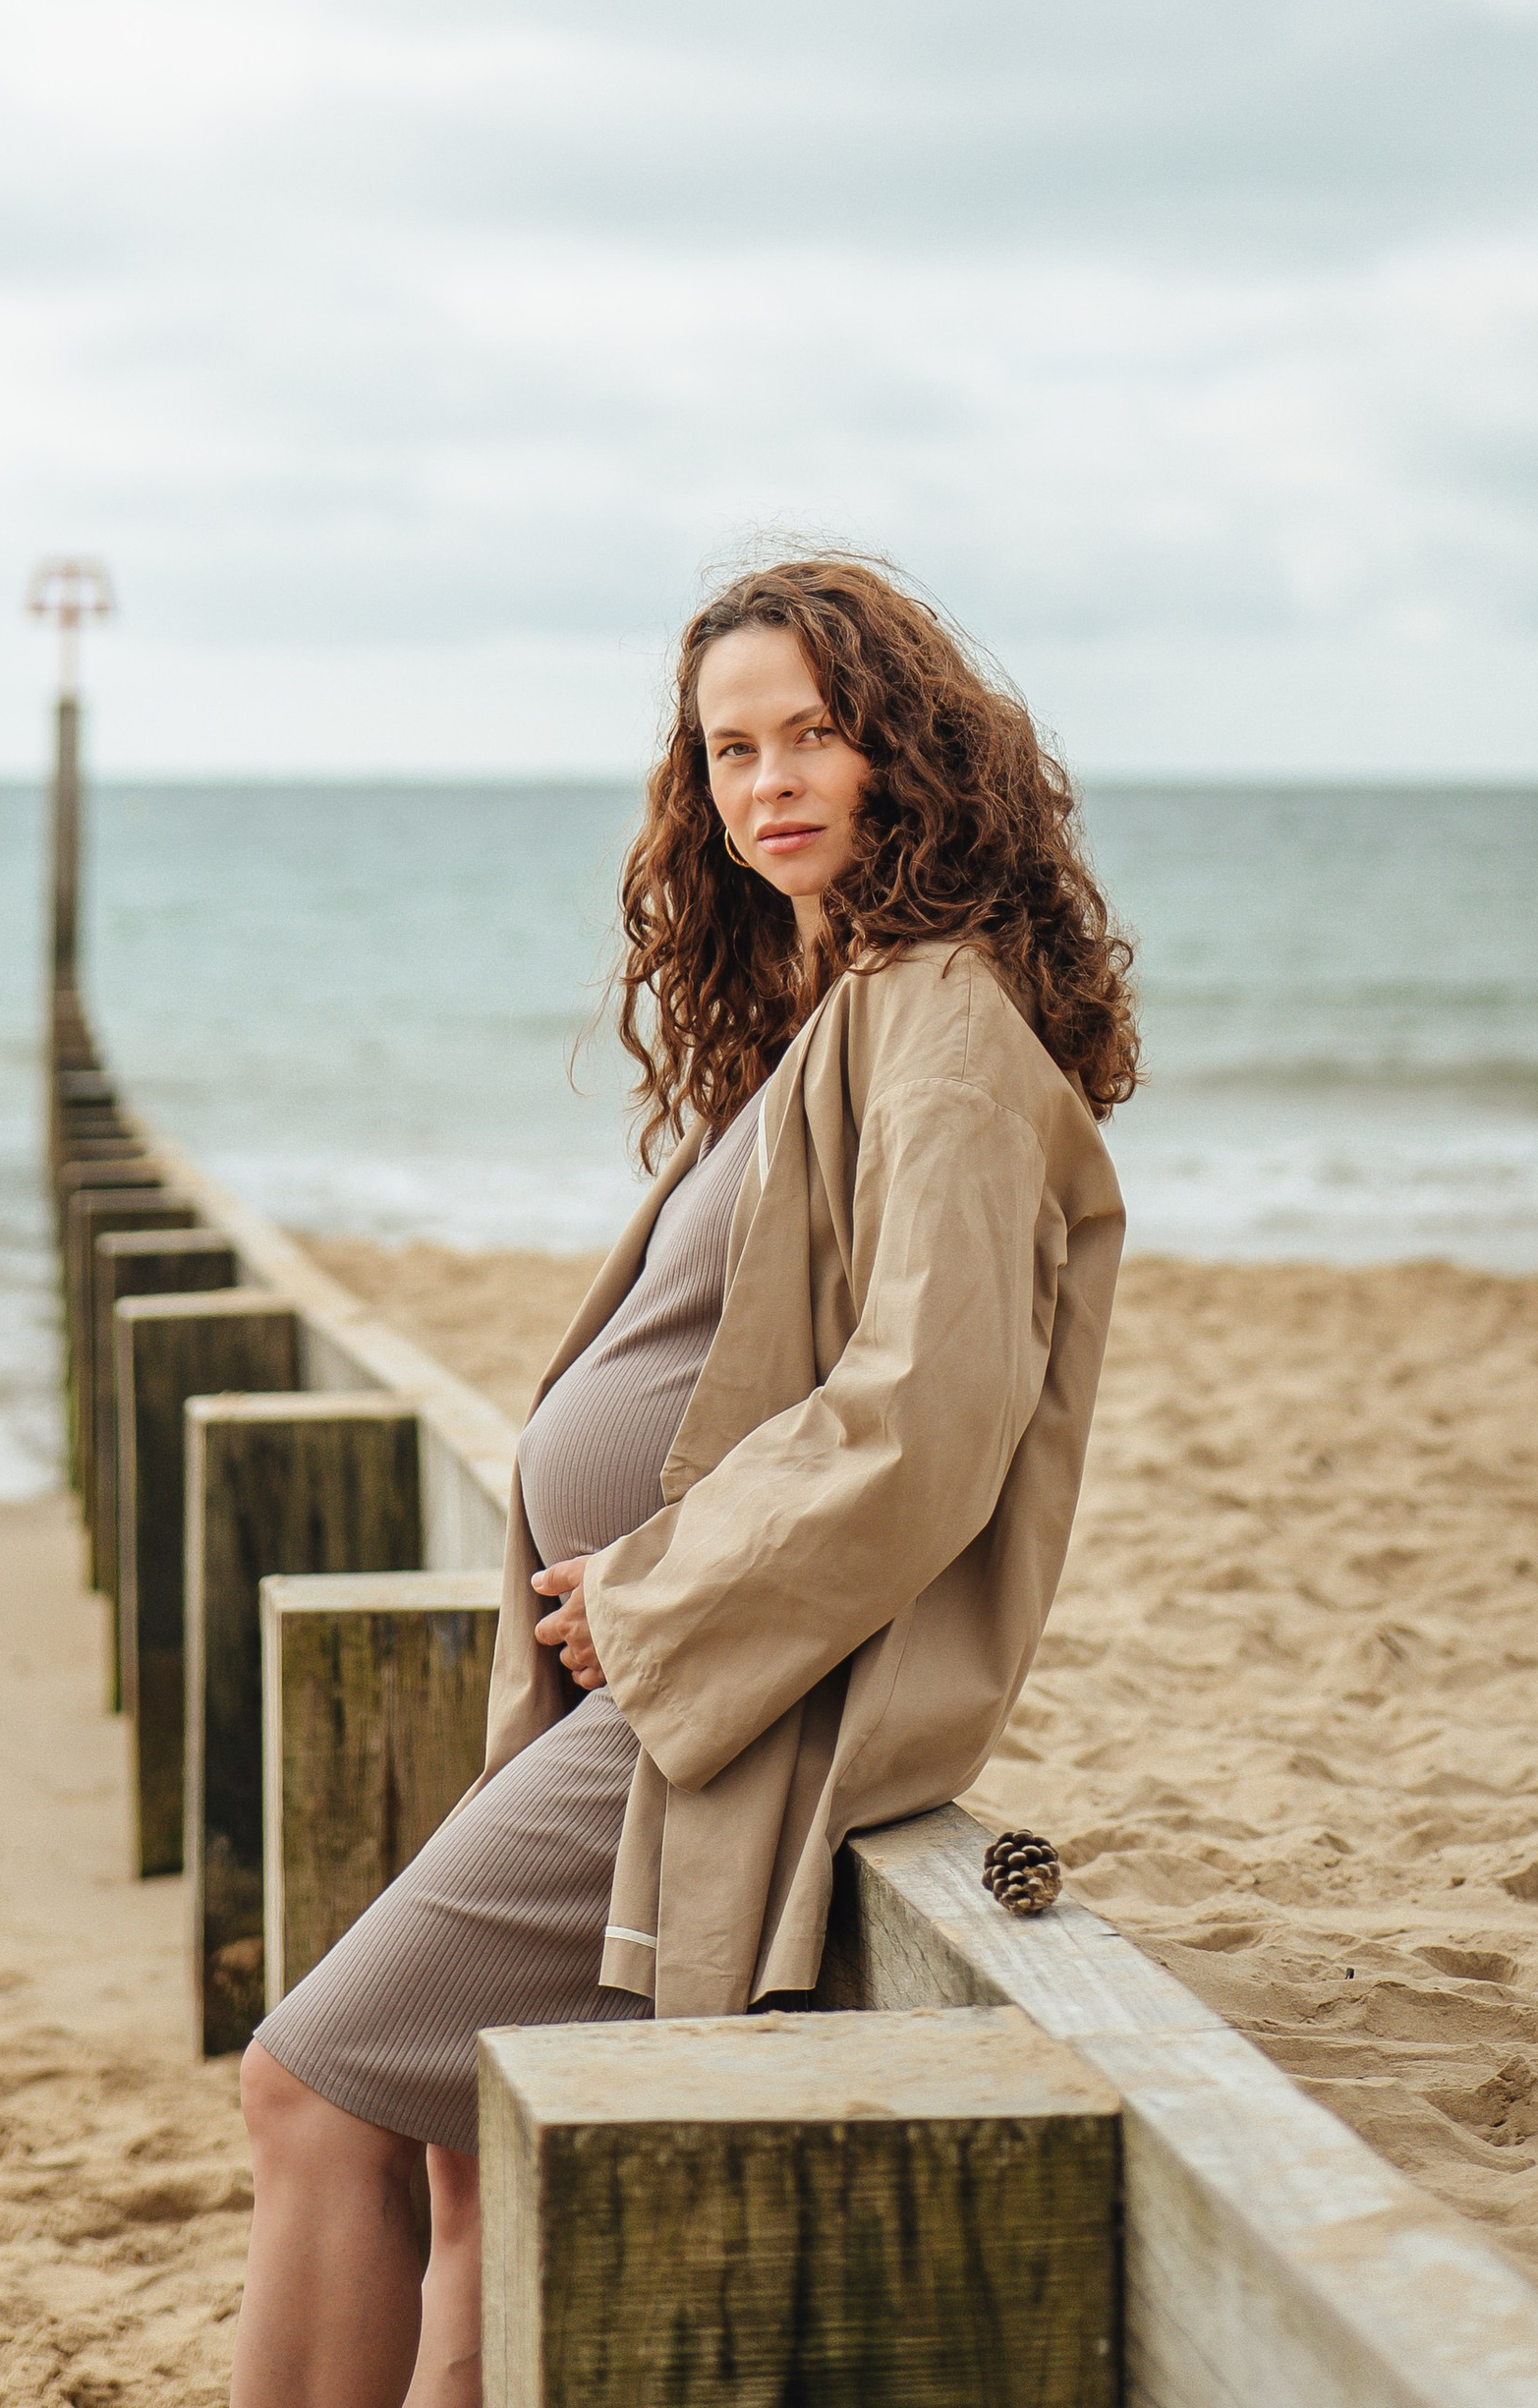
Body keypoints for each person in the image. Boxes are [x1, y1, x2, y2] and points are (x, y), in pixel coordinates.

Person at [229, 555, 1136, 2408]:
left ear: (916, 757)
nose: (771, 780)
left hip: (732, 1707)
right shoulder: (842, 1008)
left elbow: (930, 1410)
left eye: (820, 732)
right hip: (661, 1694)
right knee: (468, 2153)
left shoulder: (945, 1018)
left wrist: (648, 1598)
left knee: (311, 2080)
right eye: (732, 749)